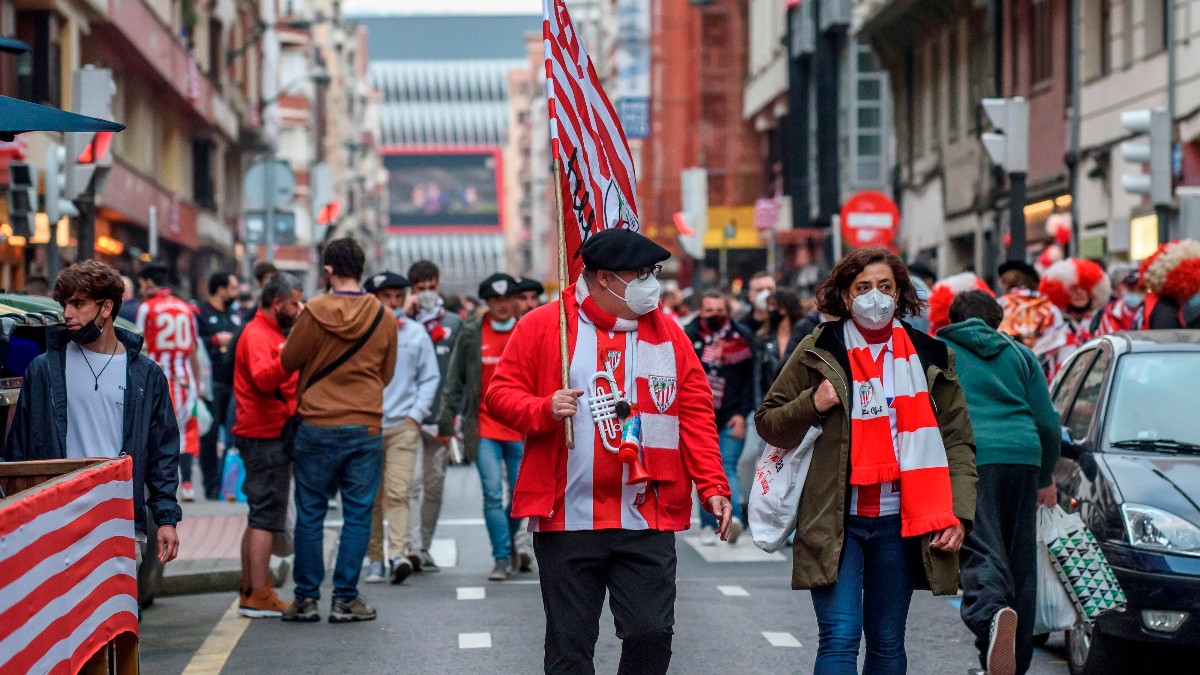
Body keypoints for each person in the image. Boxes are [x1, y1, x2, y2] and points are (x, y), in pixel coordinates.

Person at [484, 227, 733, 675]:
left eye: (652, 272)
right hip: (566, 516)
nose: (650, 283)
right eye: (640, 274)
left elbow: (694, 412)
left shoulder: (668, 334)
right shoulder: (545, 325)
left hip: (646, 512)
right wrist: (543, 408)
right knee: (569, 647)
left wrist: (713, 484)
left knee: (651, 634)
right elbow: (499, 394)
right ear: (604, 278)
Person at [756, 248, 977, 675]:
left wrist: (959, 513)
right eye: (862, 288)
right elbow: (769, 422)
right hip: (836, 519)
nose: (874, 297)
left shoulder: (930, 355)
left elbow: (958, 443)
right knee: (839, 637)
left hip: (903, 521)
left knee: (887, 641)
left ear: (900, 295)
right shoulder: (819, 348)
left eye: (885, 287)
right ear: (844, 294)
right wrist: (813, 403)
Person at [3, 261, 181, 575]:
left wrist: (166, 519)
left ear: (106, 307)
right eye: (64, 305)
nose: (67, 314)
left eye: (78, 304)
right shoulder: (44, 370)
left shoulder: (145, 375)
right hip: (58, 517)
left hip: (120, 518)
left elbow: (162, 452)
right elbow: (21, 448)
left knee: (118, 619)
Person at [936, 290, 1060, 675]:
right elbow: (1047, 421)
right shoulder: (1020, 354)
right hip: (1023, 457)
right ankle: (1012, 666)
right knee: (1020, 563)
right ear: (997, 320)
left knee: (981, 547)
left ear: (954, 317)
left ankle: (991, 614)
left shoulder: (938, 350)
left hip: (969, 457)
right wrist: (1045, 475)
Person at [279, 238, 397, 623]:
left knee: (311, 514)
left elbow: (289, 360)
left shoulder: (313, 311)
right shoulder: (384, 316)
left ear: (328, 270)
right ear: (362, 269)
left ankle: (307, 598)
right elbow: (387, 373)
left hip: (317, 423)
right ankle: (346, 598)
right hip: (365, 424)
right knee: (359, 514)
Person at [439, 272, 529, 581]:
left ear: (515, 301)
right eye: (495, 300)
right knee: (492, 493)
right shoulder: (471, 333)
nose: (502, 306)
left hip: (522, 427)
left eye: (507, 300)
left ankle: (510, 543)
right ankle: (501, 557)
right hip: (484, 426)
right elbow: (455, 379)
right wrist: (447, 418)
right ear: (487, 303)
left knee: (520, 497)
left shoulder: (529, 330)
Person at [232, 272, 303, 618]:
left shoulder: (267, 332)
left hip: (264, 432)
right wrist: (291, 356)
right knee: (266, 516)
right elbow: (263, 378)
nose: (299, 308)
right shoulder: (260, 334)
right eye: (294, 303)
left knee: (259, 513)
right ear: (277, 303)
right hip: (265, 434)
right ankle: (258, 593)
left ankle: (252, 588)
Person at [362, 271, 440, 586]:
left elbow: (429, 377)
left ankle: (397, 554)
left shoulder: (415, 333)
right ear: (372, 299)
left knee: (398, 492)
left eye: (397, 297)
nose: (392, 303)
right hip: (367, 425)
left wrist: (415, 415)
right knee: (371, 497)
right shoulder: (360, 333)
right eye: (386, 297)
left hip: (402, 427)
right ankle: (375, 559)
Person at [402, 259, 464, 572]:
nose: (426, 293)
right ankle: (411, 547)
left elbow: (462, 373)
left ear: (439, 285)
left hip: (441, 418)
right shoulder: (401, 323)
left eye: (431, 287)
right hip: (408, 417)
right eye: (420, 288)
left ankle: (424, 545)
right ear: (411, 290)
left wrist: (456, 417)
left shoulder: (453, 323)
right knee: (410, 485)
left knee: (433, 486)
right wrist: (404, 313)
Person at [683, 290, 754, 544]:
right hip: (699, 416)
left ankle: (731, 517)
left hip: (731, 415)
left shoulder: (742, 338)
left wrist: (742, 415)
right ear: (701, 312)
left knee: (727, 467)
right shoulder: (688, 337)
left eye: (719, 311)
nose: (715, 316)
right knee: (703, 468)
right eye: (709, 311)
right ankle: (706, 524)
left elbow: (750, 381)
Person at [136, 263, 205, 499]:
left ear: (149, 283)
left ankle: (160, 487)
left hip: (158, 379)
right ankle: (187, 484)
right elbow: (193, 349)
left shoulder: (147, 308)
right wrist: (198, 382)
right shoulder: (186, 309)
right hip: (185, 381)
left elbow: (140, 345)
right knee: (186, 433)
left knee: (157, 433)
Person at [197, 271, 243, 499]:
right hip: (211, 384)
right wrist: (216, 340)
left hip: (234, 383)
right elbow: (193, 344)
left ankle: (229, 484)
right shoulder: (201, 313)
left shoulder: (236, 316)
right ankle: (211, 486)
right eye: (233, 288)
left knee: (233, 436)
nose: (236, 293)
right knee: (210, 437)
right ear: (220, 289)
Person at [1037, 258, 1111, 378]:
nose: (1079, 293)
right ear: (1063, 293)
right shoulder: (1054, 324)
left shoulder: (1103, 322)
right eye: (1073, 289)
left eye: (1083, 288)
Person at [996, 260, 1065, 374]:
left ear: (1006, 282)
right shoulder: (1050, 309)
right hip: (1043, 375)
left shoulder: (998, 306)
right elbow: (1060, 349)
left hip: (1006, 375)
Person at [1090, 266, 1142, 336]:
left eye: (1141, 288)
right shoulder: (1106, 314)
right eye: (1130, 287)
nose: (1136, 291)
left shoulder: (1150, 312)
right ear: (1114, 291)